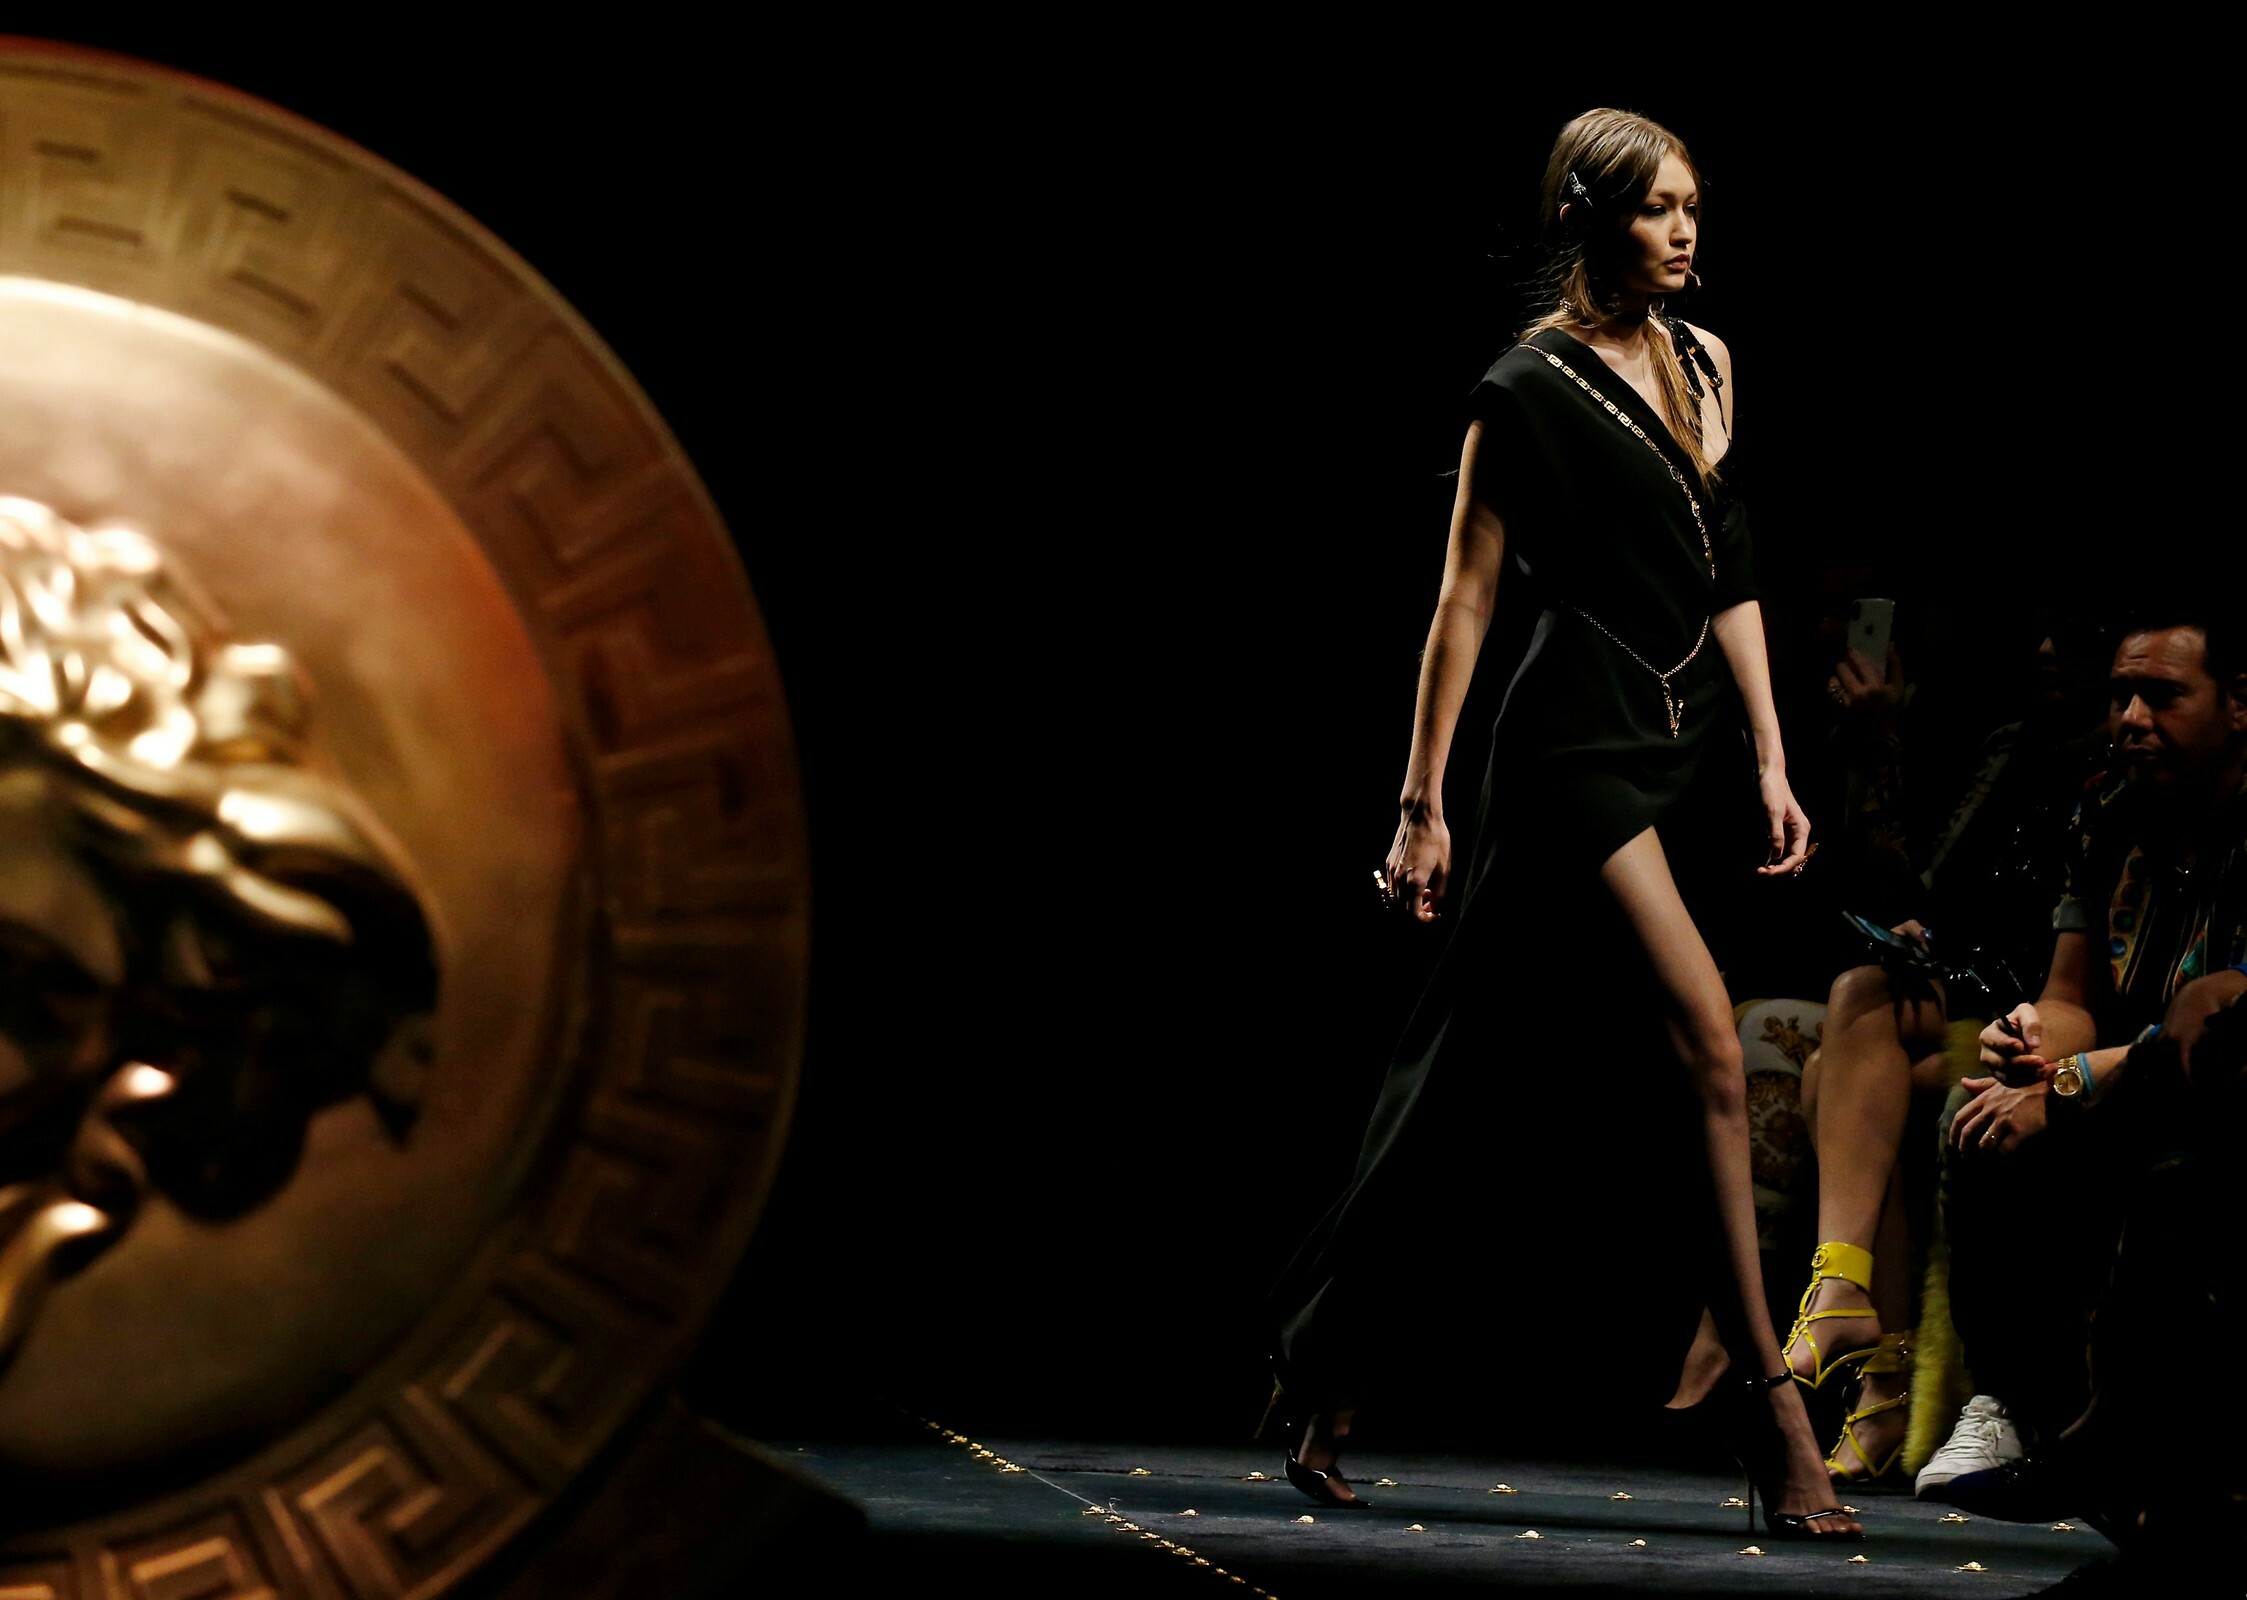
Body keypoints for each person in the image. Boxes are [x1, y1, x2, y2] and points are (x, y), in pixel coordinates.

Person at [1260, 108, 1857, 1542]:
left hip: (1676, 728)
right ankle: (1770, 1405)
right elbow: (1462, 597)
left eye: (1693, 205)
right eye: (1656, 207)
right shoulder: (1522, 389)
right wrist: (1419, 803)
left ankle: (1323, 1369)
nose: (1684, 230)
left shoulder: (1708, 363)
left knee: (1467, 1064)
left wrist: (1773, 754)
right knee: (1707, 1041)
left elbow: (1729, 570)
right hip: (1567, 740)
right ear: (1590, 218)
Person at [1778, 624, 2109, 1489]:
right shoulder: (2008, 743)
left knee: (1842, 1075)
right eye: (2043, 634)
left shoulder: (2114, 777)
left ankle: (1867, 1352)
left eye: (2078, 639)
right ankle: (1857, 1331)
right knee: (1843, 1031)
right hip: (1971, 980)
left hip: (2042, 1009)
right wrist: (1876, 748)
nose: (2048, 650)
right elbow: (1925, 880)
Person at [1928, 610, 2247, 1506]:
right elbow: (2070, 993)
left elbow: (2209, 1028)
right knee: (1977, 1109)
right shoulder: (2107, 807)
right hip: (2125, 1072)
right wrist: (2032, 1039)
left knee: (2172, 1153)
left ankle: (2126, 1442)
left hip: (2208, 1083)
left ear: (2237, 704)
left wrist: (2064, 1088)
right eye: (2120, 696)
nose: (2132, 718)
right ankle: (2009, 1400)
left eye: (2163, 695)